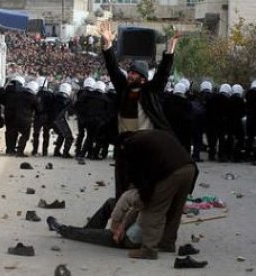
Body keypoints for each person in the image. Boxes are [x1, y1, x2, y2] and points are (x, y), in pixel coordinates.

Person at [98, 20, 182, 199]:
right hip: (124, 145)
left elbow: (164, 73)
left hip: (145, 144)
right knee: (122, 185)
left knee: (143, 186)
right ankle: (120, 220)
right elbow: (113, 68)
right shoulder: (123, 90)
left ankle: (140, 218)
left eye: (134, 73)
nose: (129, 75)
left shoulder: (151, 91)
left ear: (143, 78)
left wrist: (171, 48)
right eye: (129, 73)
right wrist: (107, 45)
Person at [115, 130, 198, 259]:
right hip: (189, 169)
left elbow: (142, 178)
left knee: (154, 209)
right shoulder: (150, 135)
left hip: (171, 172)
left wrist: (145, 197)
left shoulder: (131, 145)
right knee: (175, 209)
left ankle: (149, 249)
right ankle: (167, 243)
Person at [46, 189, 143, 249]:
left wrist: (119, 226)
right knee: (111, 203)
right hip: (141, 219)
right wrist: (122, 224)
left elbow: (130, 200)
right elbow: (136, 207)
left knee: (101, 235)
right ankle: (89, 229)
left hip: (133, 238)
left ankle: (63, 230)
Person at [31, 76, 55, 156]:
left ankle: (34, 151)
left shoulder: (36, 93)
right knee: (46, 134)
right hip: (47, 116)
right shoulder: (50, 94)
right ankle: (45, 151)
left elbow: (33, 105)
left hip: (38, 116)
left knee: (36, 134)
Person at [52, 83, 74, 158]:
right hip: (60, 120)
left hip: (51, 119)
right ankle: (65, 153)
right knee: (69, 137)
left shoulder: (54, 97)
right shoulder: (67, 100)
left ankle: (56, 151)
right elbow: (71, 112)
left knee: (61, 135)